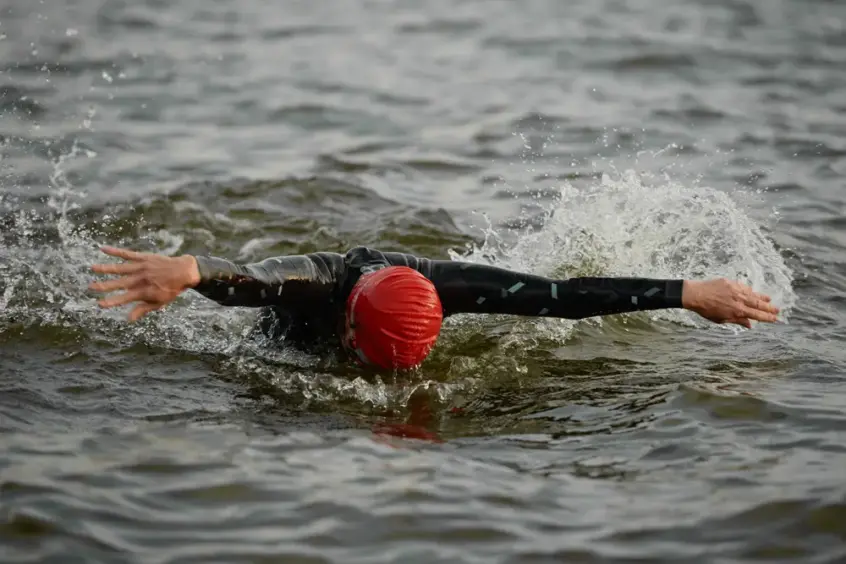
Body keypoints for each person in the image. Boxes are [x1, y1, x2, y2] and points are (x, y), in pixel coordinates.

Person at [88, 245, 781, 370]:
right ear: (352, 327)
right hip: (292, 330)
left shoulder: (451, 287)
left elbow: (565, 298)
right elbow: (252, 279)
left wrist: (687, 293)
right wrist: (192, 271)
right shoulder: (315, 285)